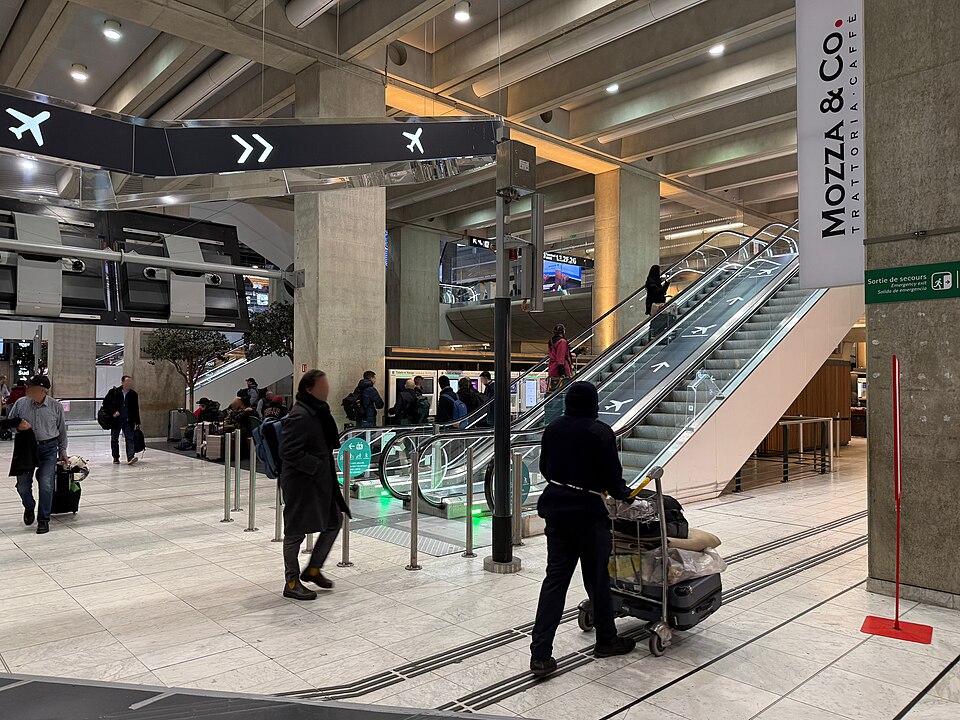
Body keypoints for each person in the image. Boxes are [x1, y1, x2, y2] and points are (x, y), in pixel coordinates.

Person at [529, 381, 635, 677]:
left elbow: (546, 469)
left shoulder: (553, 428)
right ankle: (606, 640)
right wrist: (625, 493)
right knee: (597, 579)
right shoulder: (600, 432)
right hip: (589, 515)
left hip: (557, 511)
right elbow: (614, 481)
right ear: (593, 402)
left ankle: (540, 655)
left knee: (555, 581)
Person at [280, 369, 350, 601]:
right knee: (295, 533)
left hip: (320, 481)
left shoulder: (318, 411)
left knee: (334, 521)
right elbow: (288, 451)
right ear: (309, 389)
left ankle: (313, 569)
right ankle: (291, 581)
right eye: (323, 386)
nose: (327, 389)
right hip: (302, 483)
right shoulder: (300, 415)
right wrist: (316, 465)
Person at [1, 375, 68, 535]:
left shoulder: (55, 406)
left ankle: (43, 519)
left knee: (46, 484)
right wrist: (19, 428)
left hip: (49, 448)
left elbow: (62, 430)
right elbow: (9, 425)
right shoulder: (21, 404)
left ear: (43, 390)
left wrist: (63, 451)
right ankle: (29, 506)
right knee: (23, 485)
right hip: (26, 449)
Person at [101, 375, 141, 465]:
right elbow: (106, 403)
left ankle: (130, 457)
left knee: (130, 438)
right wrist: (113, 411)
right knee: (114, 439)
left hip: (128, 420)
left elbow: (135, 408)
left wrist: (137, 421)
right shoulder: (114, 392)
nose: (129, 384)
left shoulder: (133, 394)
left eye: (130, 382)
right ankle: (115, 457)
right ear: (122, 382)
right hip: (116, 420)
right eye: (127, 382)